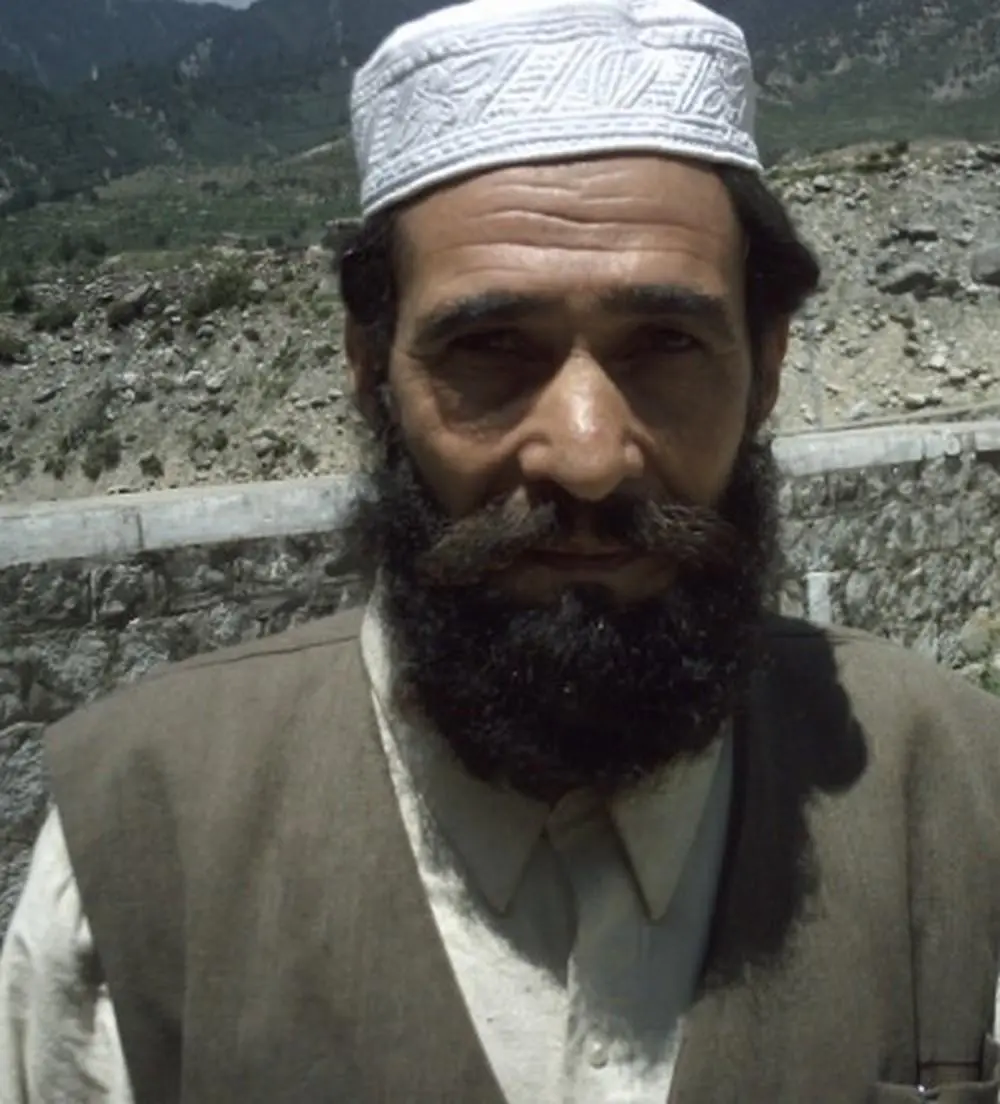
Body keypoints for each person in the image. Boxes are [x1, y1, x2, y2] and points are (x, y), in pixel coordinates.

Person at [3, 0, 1000, 1100]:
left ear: (765, 367)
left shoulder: (964, 803)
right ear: (372, 371)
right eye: (489, 348)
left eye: (665, 344)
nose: (587, 456)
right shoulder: (136, 854)